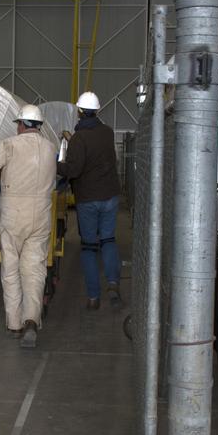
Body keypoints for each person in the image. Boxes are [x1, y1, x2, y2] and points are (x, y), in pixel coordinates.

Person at [0, 105, 57, 349]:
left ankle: (14, 324)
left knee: (11, 270)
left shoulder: (10, 146)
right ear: (39, 125)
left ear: (22, 125)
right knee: (35, 271)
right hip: (41, 217)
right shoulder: (50, 149)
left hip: (14, 216)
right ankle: (31, 321)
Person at [57, 91, 122, 310]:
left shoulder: (79, 138)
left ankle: (93, 297)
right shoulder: (108, 132)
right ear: (97, 111)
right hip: (110, 195)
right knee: (109, 240)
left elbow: (74, 169)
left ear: (79, 112)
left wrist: (53, 164)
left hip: (88, 198)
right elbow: (97, 154)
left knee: (88, 247)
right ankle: (113, 284)